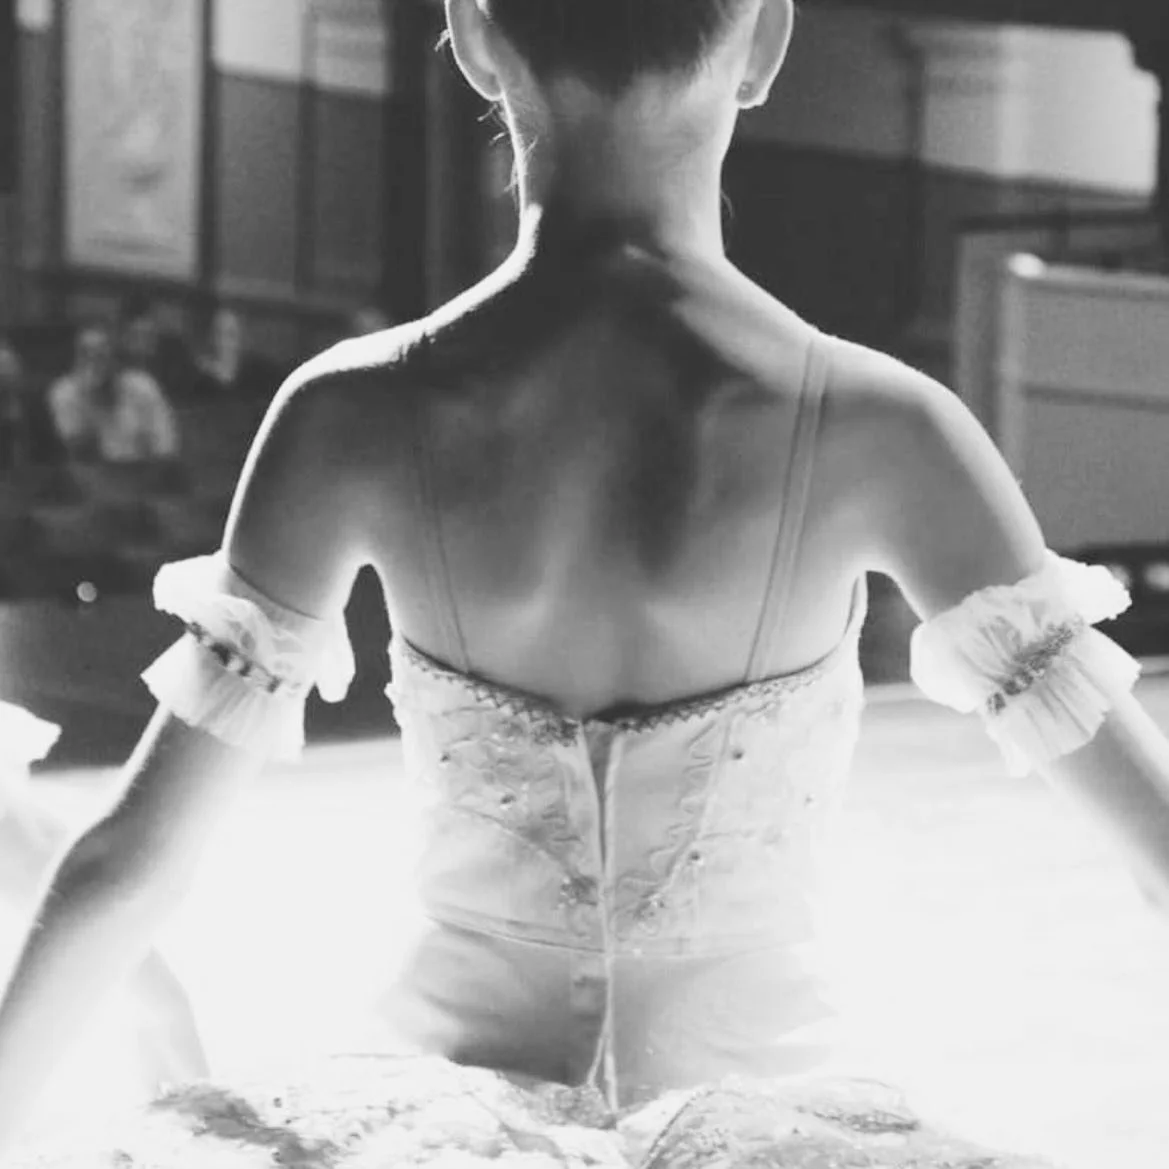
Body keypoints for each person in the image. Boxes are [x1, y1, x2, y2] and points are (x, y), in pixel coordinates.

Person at [1, 0, 1167, 1161]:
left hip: (432, 1103)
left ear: (471, 38)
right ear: (762, 46)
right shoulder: (886, 427)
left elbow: (129, 869)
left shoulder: (345, 413)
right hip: (776, 1114)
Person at [0, 702, 209, 1104]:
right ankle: (195, 1097)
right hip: (71, 882)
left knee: (153, 1001)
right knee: (159, 1000)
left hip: (69, 877)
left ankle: (180, 1096)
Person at [47, 322, 180, 466]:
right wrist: (90, 398)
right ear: (75, 358)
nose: (93, 361)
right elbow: (77, 456)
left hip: (144, 475)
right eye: (85, 353)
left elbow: (166, 448)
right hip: (92, 479)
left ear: (115, 357)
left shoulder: (144, 386)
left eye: (101, 354)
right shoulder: (64, 394)